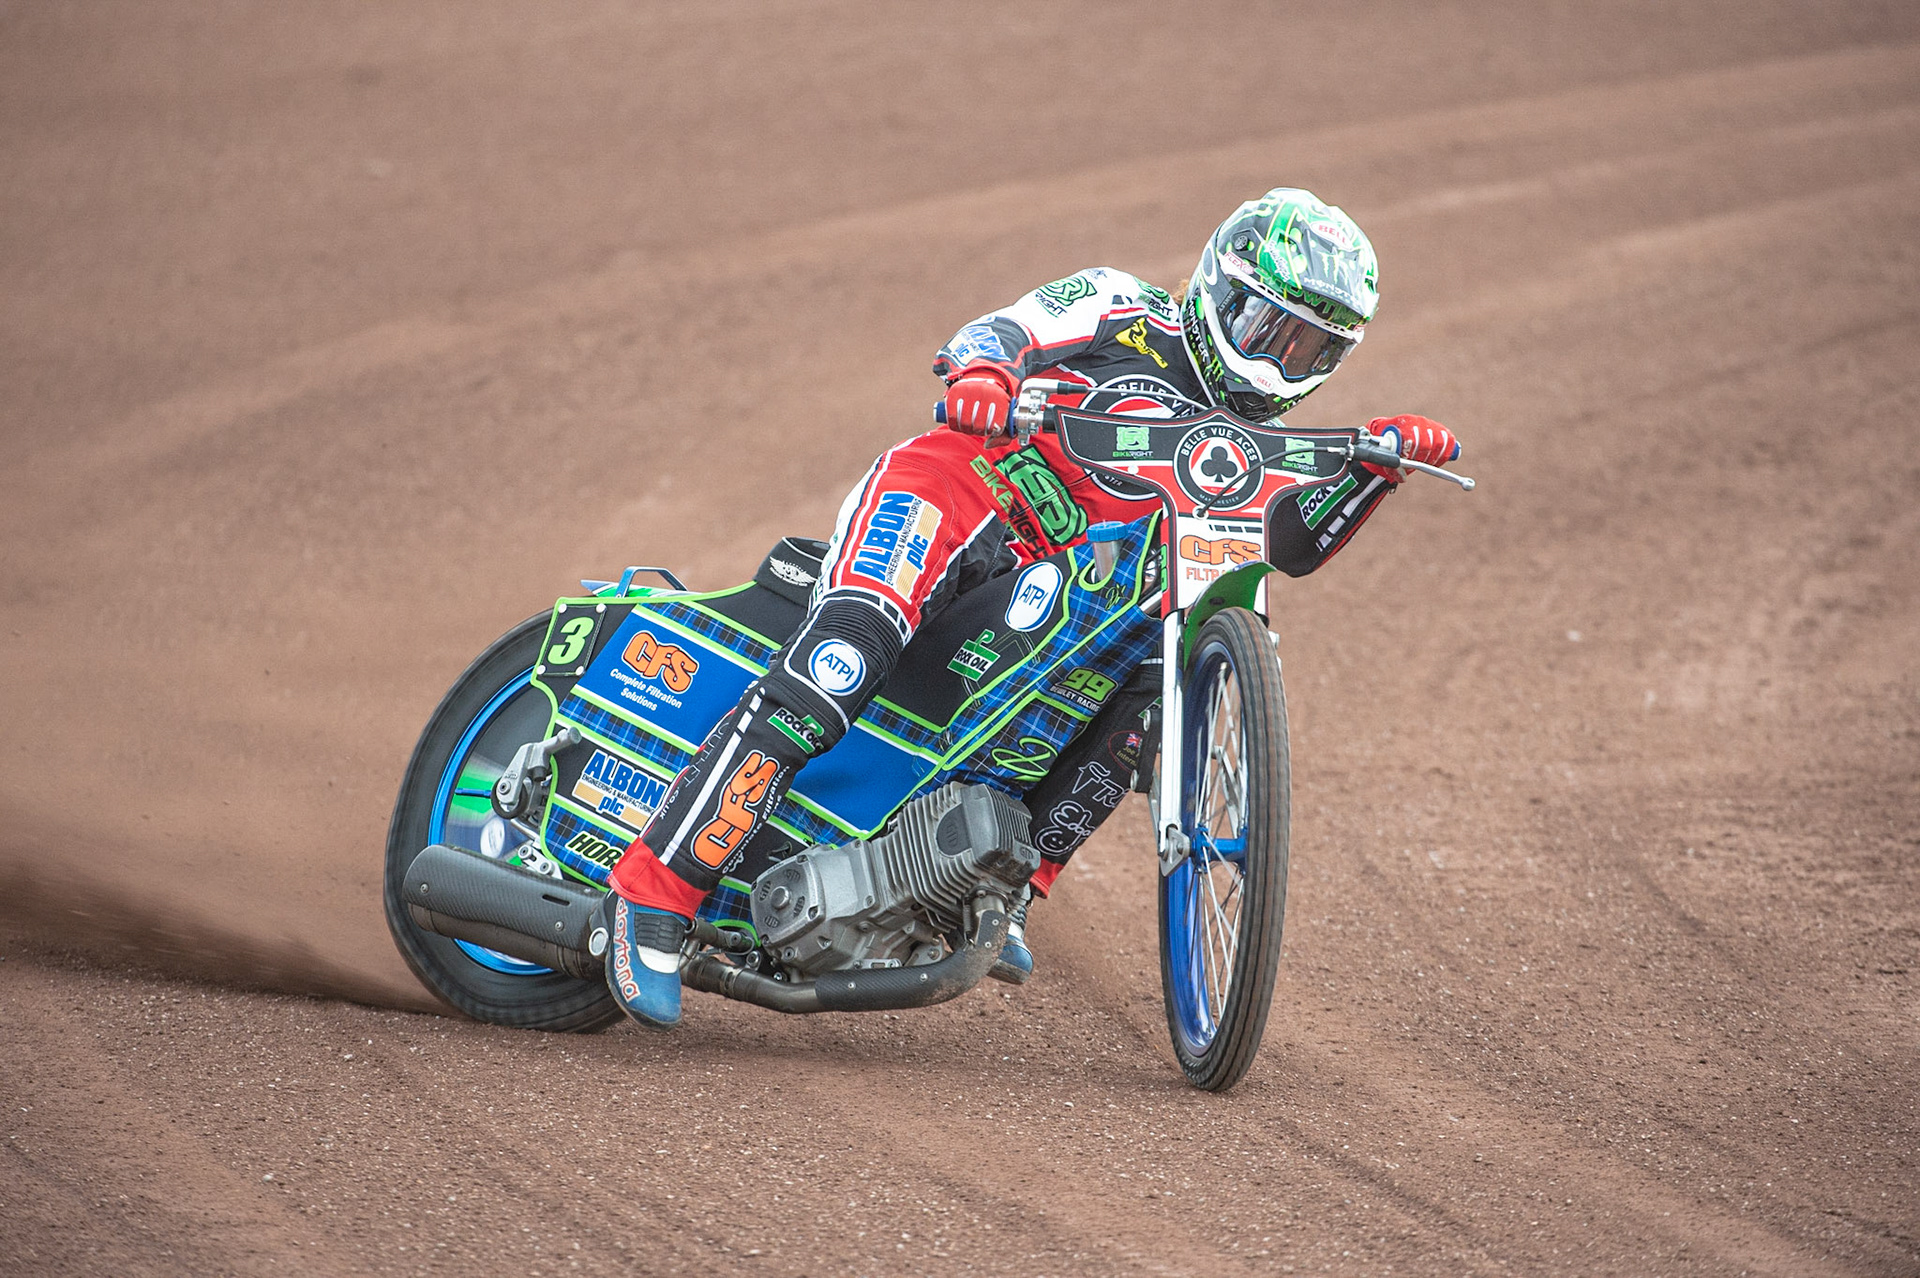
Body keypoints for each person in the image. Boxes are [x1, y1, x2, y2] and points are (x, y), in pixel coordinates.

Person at [601, 187, 1462, 1028]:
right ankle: (653, 891)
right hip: (955, 496)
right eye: (1263, 323)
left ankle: (1010, 886)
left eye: (1310, 349)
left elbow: (1289, 548)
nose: (1277, 356)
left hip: (1051, 586)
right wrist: (982, 372)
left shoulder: (1254, 451)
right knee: (842, 662)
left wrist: (1372, 471)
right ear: (1216, 284)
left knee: (1162, 671)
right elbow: (1001, 331)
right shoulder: (1124, 305)